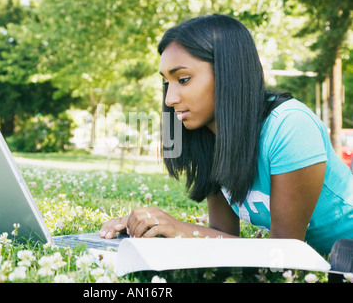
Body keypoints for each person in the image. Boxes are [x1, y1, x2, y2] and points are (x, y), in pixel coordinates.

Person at [99, 14, 353, 257]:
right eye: (167, 82)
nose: (170, 98)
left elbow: (286, 252)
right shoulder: (210, 135)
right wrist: (157, 231)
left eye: (183, 79)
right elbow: (222, 235)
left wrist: (183, 230)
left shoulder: (290, 126)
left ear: (228, 72)